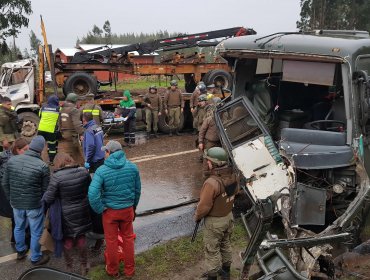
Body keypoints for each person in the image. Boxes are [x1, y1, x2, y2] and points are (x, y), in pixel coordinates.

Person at [88, 140, 141, 279]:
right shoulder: (133, 167)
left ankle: (113, 271)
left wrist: (100, 209)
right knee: (128, 239)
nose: (104, 154)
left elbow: (92, 194)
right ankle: (130, 271)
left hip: (110, 212)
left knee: (111, 242)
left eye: (105, 151)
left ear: (109, 153)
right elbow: (137, 191)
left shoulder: (101, 171)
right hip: (127, 210)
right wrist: (133, 207)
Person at [2, 136, 50, 265]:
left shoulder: (12, 161)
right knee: (36, 231)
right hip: (34, 205)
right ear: (40, 150)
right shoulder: (43, 166)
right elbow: (46, 190)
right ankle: (35, 257)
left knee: (19, 227)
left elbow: (5, 183)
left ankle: (21, 251)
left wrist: (11, 198)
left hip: (16, 203)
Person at [43, 153, 92, 275]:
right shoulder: (83, 171)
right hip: (82, 210)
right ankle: (84, 265)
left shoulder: (56, 176)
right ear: (70, 159)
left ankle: (69, 267)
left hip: (65, 214)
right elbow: (90, 188)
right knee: (81, 237)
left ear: (58, 163)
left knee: (68, 240)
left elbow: (48, 198)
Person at [194, 147, 239, 280]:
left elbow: (204, 207)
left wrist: (197, 216)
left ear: (212, 163)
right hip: (228, 216)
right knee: (226, 244)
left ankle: (212, 276)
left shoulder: (211, 183)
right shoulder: (234, 175)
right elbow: (237, 192)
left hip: (214, 222)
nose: (206, 162)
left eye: (207, 160)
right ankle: (226, 273)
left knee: (211, 250)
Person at [0, 138, 29, 244]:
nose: (27, 152)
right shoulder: (15, 163)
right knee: (20, 219)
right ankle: (20, 242)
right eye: (25, 150)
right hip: (14, 197)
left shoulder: (5, 157)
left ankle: (15, 239)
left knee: (16, 218)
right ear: (17, 149)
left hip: (10, 197)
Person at [60, 92, 84, 164]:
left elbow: (59, 122)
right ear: (74, 101)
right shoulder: (74, 110)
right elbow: (77, 124)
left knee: (73, 152)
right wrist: (82, 133)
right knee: (76, 154)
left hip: (65, 134)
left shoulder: (62, 109)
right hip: (72, 135)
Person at [37, 94, 60, 164]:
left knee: (39, 145)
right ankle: (51, 161)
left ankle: (37, 159)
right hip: (51, 130)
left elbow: (39, 116)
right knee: (52, 145)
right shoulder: (58, 109)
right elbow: (59, 120)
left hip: (41, 129)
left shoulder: (43, 107)